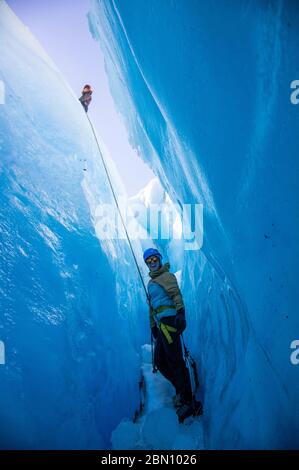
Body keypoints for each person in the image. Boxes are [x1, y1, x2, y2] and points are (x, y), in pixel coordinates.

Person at [143, 248, 203, 423]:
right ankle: (181, 391)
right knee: (160, 362)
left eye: (155, 259)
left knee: (176, 361)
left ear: (160, 260)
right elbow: (152, 309)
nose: (152, 262)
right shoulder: (151, 283)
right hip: (161, 325)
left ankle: (189, 402)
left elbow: (176, 295)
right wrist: (153, 326)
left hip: (170, 322)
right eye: (149, 261)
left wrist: (181, 313)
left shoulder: (167, 276)